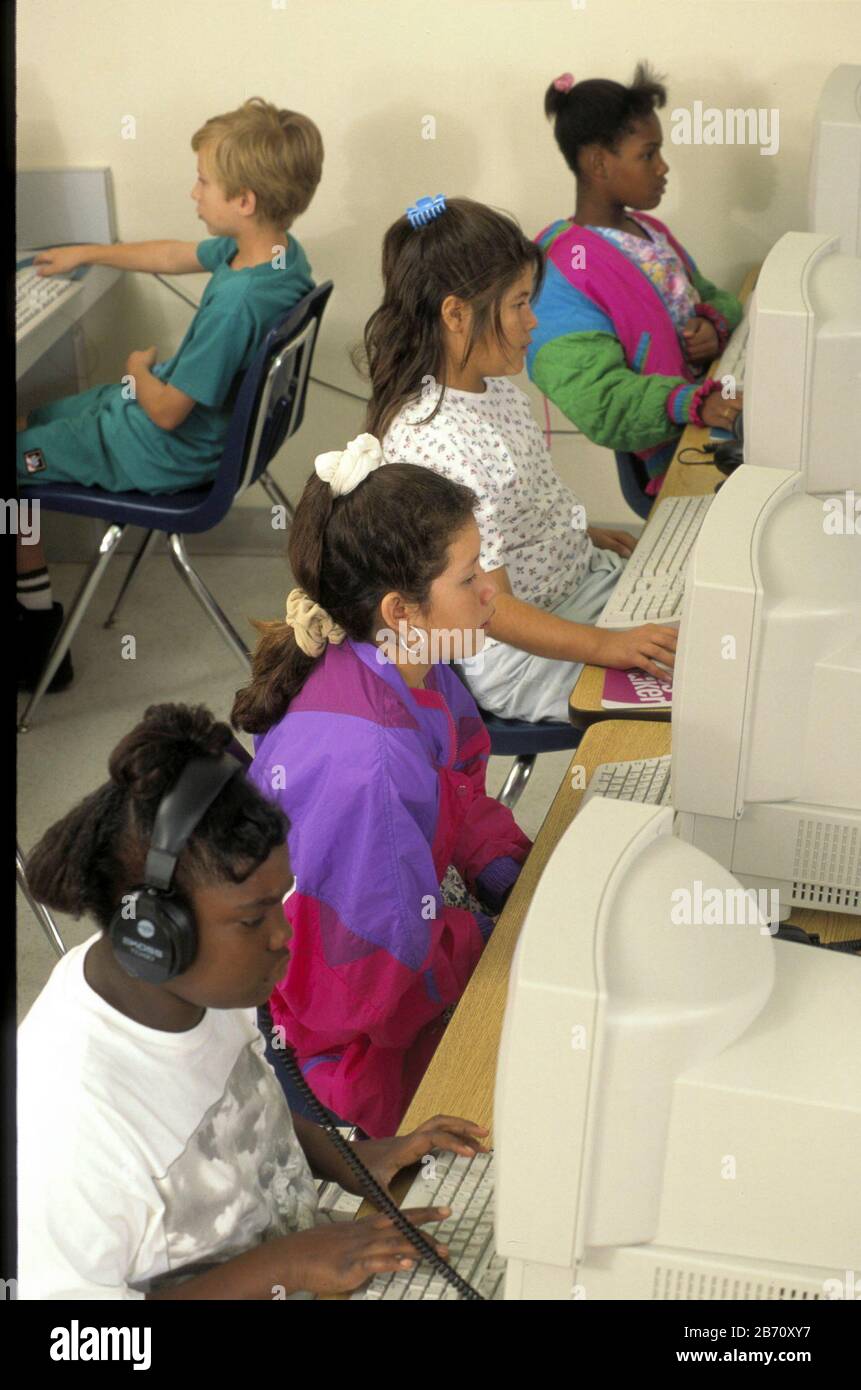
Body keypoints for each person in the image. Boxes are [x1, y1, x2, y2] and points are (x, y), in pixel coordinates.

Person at [18, 702, 488, 1299]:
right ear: (157, 934)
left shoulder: (200, 984)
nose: (283, 933)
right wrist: (280, 1267)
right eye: (253, 918)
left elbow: (239, 1109)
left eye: (279, 899)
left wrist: (353, 1162)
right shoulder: (68, 1124)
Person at [232, 436, 532, 1137]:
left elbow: (459, 789)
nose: (491, 588)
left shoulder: (408, 661)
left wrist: (509, 873)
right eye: (467, 578)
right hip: (356, 1054)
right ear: (401, 609)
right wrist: (489, 939)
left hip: (410, 955)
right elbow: (359, 991)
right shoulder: (366, 768)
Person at [16, 97, 322, 693]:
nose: (193, 193)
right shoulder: (277, 255)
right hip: (158, 433)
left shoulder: (237, 305)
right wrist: (91, 251)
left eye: (203, 182)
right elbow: (176, 254)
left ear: (243, 202)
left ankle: (35, 634)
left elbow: (166, 409)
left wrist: (136, 367)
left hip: (161, 449)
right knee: (32, 419)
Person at [359, 195, 678, 724]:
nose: (534, 322)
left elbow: (511, 508)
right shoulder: (436, 440)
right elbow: (491, 606)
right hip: (519, 652)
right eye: (518, 303)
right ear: (456, 314)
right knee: (700, 690)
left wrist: (576, 532)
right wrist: (608, 647)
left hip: (577, 587)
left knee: (710, 626)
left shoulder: (493, 390)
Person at [528, 63, 744, 502]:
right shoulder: (561, 272)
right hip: (675, 456)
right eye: (648, 154)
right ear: (597, 164)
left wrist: (711, 323)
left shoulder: (648, 231)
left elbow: (714, 296)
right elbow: (600, 402)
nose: (663, 167)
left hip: (709, 419)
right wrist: (690, 402)